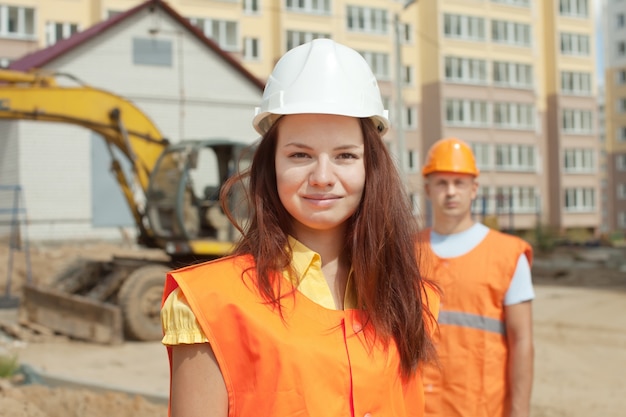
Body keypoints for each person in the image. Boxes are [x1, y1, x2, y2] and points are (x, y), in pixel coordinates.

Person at [160, 38, 440, 417]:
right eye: (300, 155)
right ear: (271, 165)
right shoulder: (211, 303)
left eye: (344, 155)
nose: (322, 177)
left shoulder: (408, 298)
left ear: (369, 166)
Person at [419, 137, 535, 417]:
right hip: (417, 406)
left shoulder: (507, 255)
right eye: (442, 183)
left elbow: (522, 342)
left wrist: (518, 412)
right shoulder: (405, 252)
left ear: (474, 189)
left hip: (482, 408)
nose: (450, 192)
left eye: (459, 183)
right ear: (427, 189)